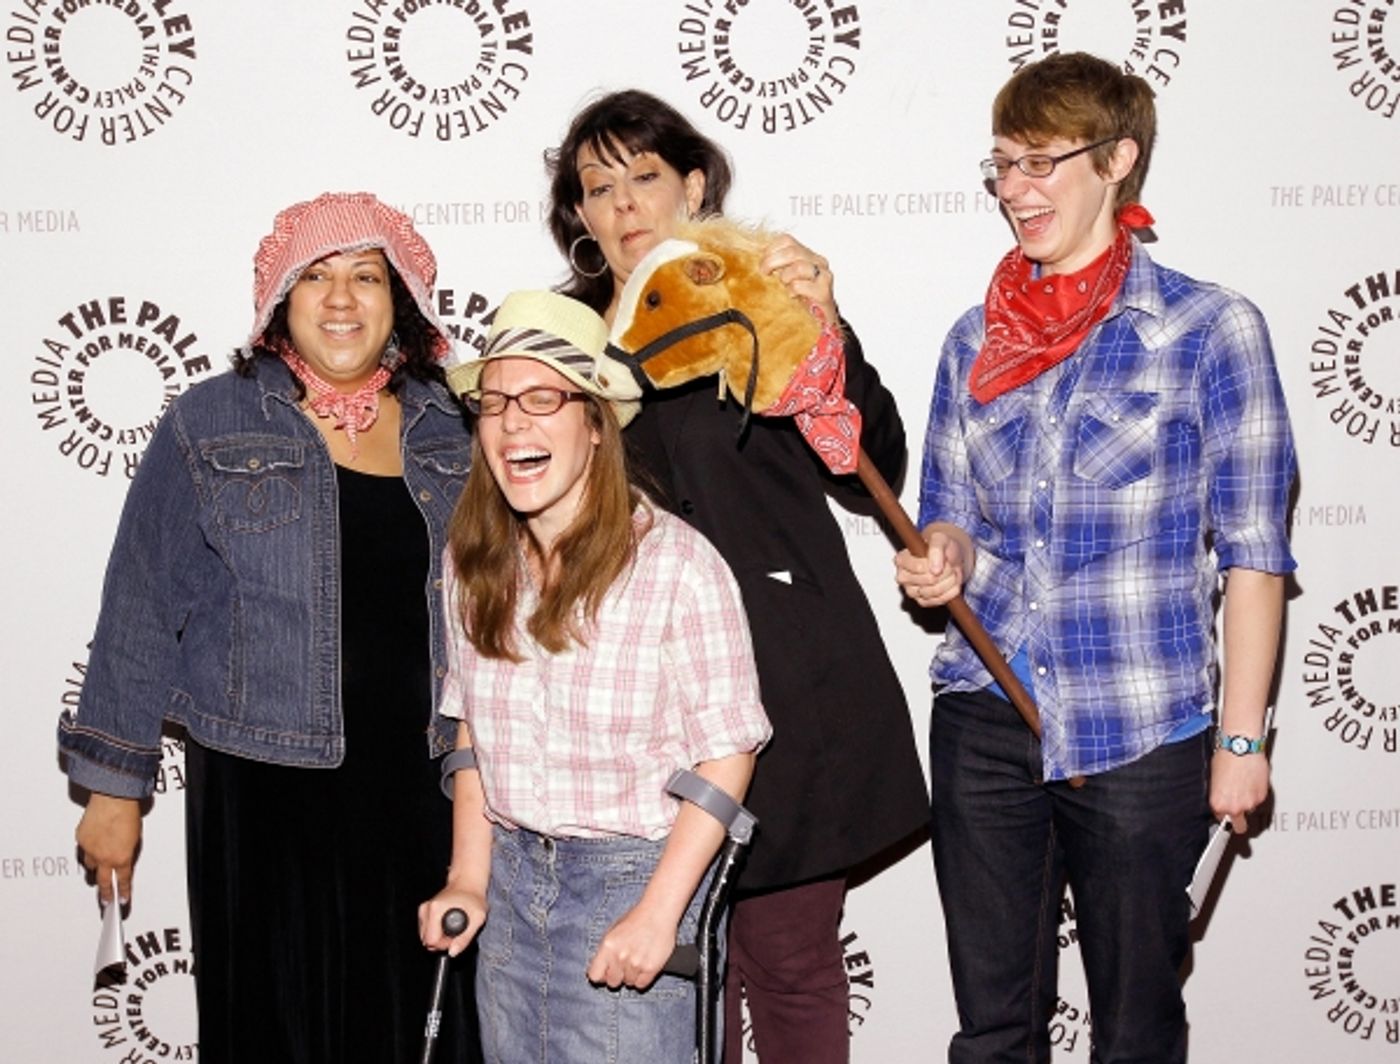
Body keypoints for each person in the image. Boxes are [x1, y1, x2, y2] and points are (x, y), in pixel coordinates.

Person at [895, 53, 1297, 1063]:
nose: (1014, 190)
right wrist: (940, 556)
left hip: (1137, 730)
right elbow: (948, 516)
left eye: (1038, 161)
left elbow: (1253, 556)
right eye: (1000, 166)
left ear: (1116, 159)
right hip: (982, 715)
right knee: (992, 1030)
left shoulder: (1208, 331)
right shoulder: (968, 342)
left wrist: (1240, 745)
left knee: (1132, 1029)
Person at [544, 89, 929, 1064]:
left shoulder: (759, 292)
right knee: (673, 972)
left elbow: (867, 471)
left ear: (695, 183)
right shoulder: (560, 339)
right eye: (598, 187)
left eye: (644, 177)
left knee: (791, 958)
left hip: (785, 681)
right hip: (627, 701)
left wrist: (823, 328)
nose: (624, 204)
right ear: (578, 216)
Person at [58, 192, 482, 1063]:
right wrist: (113, 787)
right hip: (263, 790)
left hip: (423, 787)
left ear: (399, 299)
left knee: (417, 1027)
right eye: (314, 276)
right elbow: (140, 602)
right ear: (276, 302)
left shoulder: (453, 426)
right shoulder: (209, 421)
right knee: (276, 1028)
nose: (340, 298)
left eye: (366, 277)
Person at [418, 288, 772, 1063]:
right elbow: (473, 733)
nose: (514, 422)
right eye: (496, 402)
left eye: (544, 397)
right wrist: (468, 878)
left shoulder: (678, 565)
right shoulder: (471, 564)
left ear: (595, 424)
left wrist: (659, 912)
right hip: (510, 893)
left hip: (631, 883)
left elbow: (728, 754)